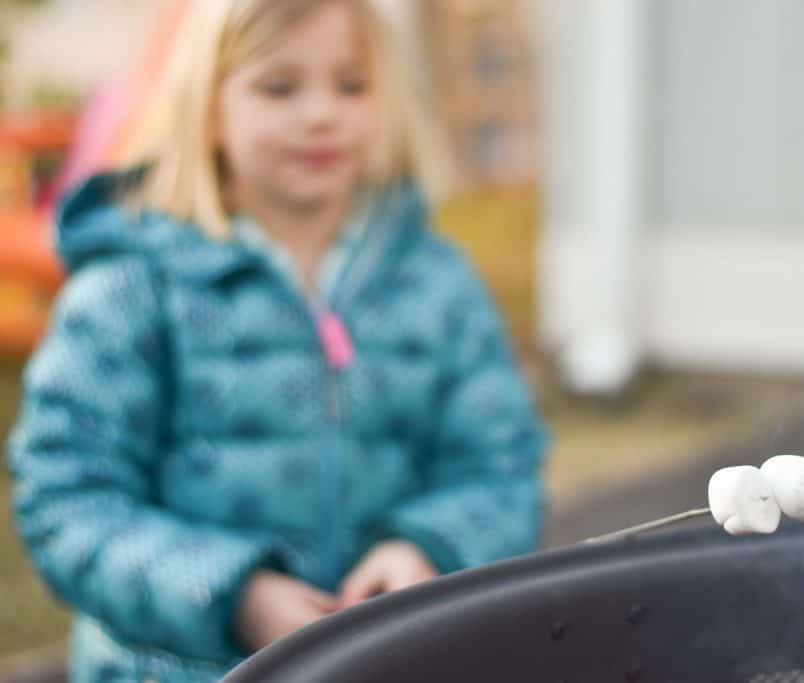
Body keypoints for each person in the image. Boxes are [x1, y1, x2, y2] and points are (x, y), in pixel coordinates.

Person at [6, 1, 548, 680]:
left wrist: (427, 549)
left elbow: (500, 464)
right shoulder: (133, 286)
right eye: (279, 86)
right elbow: (67, 498)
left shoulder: (436, 283)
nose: (321, 113)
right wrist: (233, 594)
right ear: (207, 107)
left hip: (387, 663)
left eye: (351, 85)